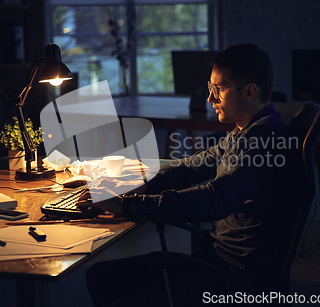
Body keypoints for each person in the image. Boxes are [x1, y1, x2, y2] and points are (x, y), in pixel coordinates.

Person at [85, 44, 305, 306]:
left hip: (234, 276)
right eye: (211, 89)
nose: (210, 99)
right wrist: (140, 186)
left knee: (103, 279)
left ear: (249, 91)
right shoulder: (248, 130)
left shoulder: (260, 139)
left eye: (219, 90)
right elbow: (192, 166)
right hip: (219, 260)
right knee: (101, 276)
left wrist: (131, 205)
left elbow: (215, 199)